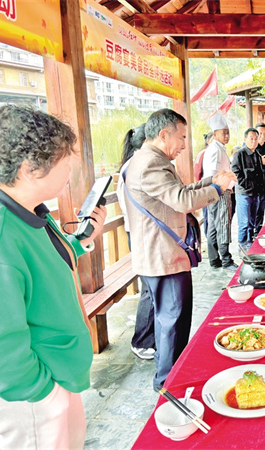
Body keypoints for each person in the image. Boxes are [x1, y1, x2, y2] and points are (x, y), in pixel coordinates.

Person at [0, 105, 107, 449]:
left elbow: (47, 261)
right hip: (32, 394)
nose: (71, 165)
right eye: (64, 158)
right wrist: (43, 393)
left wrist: (81, 241)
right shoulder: (1, 232)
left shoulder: (30, 210)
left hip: (57, 373)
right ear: (30, 169)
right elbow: (1, 345)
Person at [124, 108, 235, 388]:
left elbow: (180, 191)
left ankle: (170, 375)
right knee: (172, 322)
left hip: (162, 255)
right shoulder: (151, 164)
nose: (185, 144)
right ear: (164, 135)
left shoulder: (153, 160)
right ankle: (168, 382)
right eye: (182, 137)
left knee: (169, 320)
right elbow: (183, 201)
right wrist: (218, 190)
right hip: (162, 256)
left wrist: (211, 182)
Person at [117, 124, 156, 360]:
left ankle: (151, 337)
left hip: (140, 232)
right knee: (149, 288)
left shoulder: (133, 164)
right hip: (140, 233)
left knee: (152, 287)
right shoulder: (135, 167)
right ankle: (141, 340)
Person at [203, 113, 238, 271]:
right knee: (223, 225)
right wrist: (222, 187)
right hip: (219, 191)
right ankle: (226, 260)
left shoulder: (217, 148)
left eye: (228, 132)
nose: (227, 135)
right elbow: (213, 174)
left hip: (214, 191)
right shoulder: (215, 150)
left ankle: (214, 259)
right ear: (215, 134)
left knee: (213, 226)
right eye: (224, 133)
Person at [232, 128, 265, 248]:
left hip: (256, 194)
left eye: (256, 139)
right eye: (251, 138)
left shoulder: (257, 154)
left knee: (253, 221)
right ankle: (241, 246)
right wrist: (248, 184)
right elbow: (236, 173)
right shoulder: (239, 154)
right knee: (244, 222)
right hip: (244, 193)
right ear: (245, 139)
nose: (253, 141)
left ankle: (250, 244)